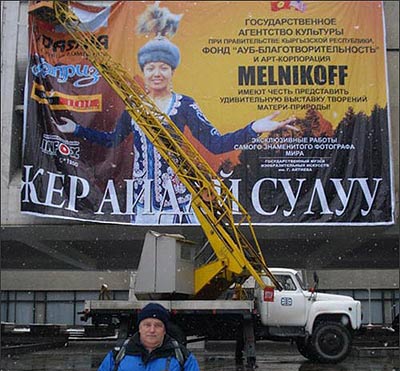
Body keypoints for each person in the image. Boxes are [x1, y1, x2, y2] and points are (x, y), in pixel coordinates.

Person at [54, 4, 297, 224]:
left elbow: (216, 143)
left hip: (180, 202)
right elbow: (112, 140)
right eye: (150, 68)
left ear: (172, 72)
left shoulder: (184, 106)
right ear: (144, 72)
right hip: (144, 202)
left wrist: (254, 128)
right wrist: (76, 129)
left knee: (180, 257)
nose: (156, 73)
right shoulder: (135, 109)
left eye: (163, 68)